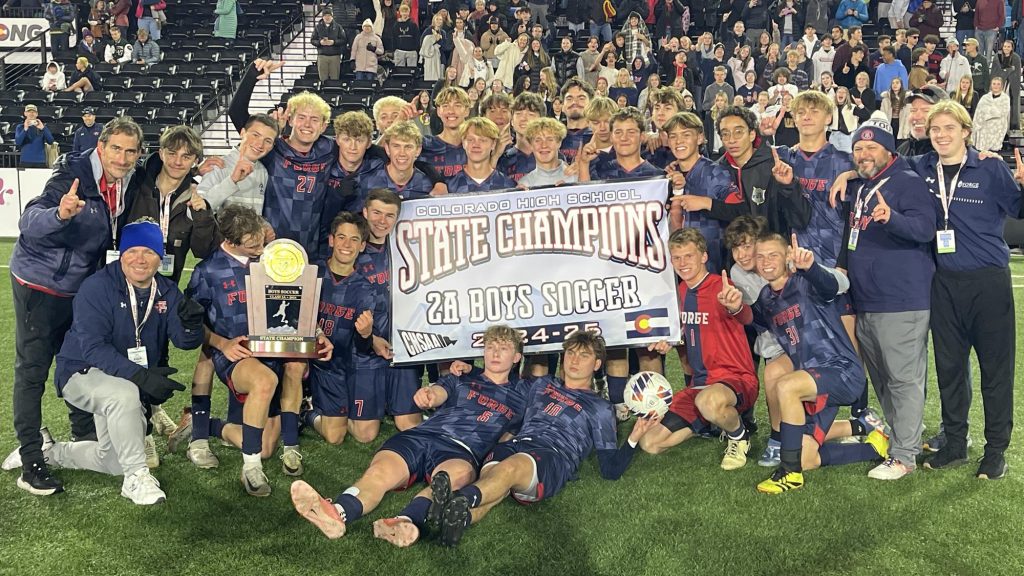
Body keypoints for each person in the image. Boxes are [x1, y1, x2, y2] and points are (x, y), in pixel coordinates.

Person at [3, 219, 203, 503]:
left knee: (113, 461)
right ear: (121, 254)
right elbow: (94, 349)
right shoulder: (97, 286)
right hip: (81, 372)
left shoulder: (167, 292)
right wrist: (141, 377)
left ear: (161, 257)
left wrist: (192, 325)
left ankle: (50, 451)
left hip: (123, 376)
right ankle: (137, 477)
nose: (140, 259)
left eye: (149, 251)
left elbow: (184, 342)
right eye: (132, 251)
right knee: (125, 394)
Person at [289, 325, 529, 544]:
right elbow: (438, 391)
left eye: (504, 348)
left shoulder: (521, 397)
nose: (495, 354)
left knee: (450, 478)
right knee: (379, 474)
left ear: (517, 357)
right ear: (483, 352)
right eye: (490, 347)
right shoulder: (462, 375)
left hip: (461, 449)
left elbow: (509, 438)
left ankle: (404, 521)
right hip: (424, 434)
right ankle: (338, 511)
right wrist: (429, 395)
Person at [6, 117, 143, 495]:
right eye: (116, 148)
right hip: (40, 285)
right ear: (101, 146)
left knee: (81, 361)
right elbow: (29, 221)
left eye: (131, 151)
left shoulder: (126, 180)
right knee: (32, 370)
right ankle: (32, 459)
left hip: (79, 291)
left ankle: (81, 435)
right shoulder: (72, 174)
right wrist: (61, 214)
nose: (123, 157)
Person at [436, 330, 662, 547]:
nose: (574, 360)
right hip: (517, 443)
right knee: (495, 479)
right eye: (571, 353)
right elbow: (500, 380)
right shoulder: (541, 384)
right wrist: (470, 370)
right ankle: (461, 518)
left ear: (596, 365)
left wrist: (633, 438)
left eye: (584, 356)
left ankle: (460, 498)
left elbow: (610, 470)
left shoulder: (600, 408)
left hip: (553, 455)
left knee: (509, 469)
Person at [185, 205, 332, 495]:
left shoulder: (271, 261)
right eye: (253, 244)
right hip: (237, 355)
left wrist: (316, 333)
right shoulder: (208, 271)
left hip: (276, 349)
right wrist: (221, 343)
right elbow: (190, 324)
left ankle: (217, 428)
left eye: (260, 239)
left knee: (266, 444)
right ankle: (250, 469)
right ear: (230, 241)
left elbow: (297, 303)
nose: (260, 247)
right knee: (266, 382)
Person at [911, 101, 1021, 480]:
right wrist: (845, 177)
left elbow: (1019, 210)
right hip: (942, 284)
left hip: (988, 283)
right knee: (951, 369)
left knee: (996, 371)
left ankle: (995, 451)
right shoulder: (923, 167)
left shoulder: (990, 167)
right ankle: (956, 443)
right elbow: (881, 170)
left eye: (948, 128)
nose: (941, 135)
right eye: (935, 129)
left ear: (965, 131)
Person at [736, 233, 889, 494]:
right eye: (760, 256)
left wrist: (811, 268)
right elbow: (755, 320)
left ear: (787, 256)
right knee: (808, 458)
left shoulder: (805, 282)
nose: (766, 261)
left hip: (841, 371)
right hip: (812, 382)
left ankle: (789, 472)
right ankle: (872, 442)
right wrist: (735, 308)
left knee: (786, 386)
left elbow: (829, 286)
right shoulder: (766, 296)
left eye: (773, 254)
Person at [839, 117, 937, 480]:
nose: (863, 154)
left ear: (889, 150)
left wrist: (892, 217)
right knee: (883, 379)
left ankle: (906, 455)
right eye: (858, 149)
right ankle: (901, 441)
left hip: (901, 299)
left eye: (871, 148)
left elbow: (925, 229)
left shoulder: (906, 182)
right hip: (868, 298)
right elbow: (852, 237)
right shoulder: (864, 185)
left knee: (902, 379)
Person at [638, 228, 759, 469]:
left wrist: (735, 307)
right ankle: (711, 422)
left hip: (736, 379)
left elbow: (746, 317)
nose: (683, 263)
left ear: (704, 257)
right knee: (649, 443)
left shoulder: (721, 286)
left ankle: (739, 436)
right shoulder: (680, 292)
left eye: (689, 256)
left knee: (708, 401)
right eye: (677, 257)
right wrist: (668, 341)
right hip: (700, 384)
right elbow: (686, 330)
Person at [227, 59, 336, 258]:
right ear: (291, 118)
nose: (307, 124)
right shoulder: (273, 148)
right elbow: (237, 115)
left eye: (315, 120)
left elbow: (368, 150)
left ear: (323, 126)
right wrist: (252, 76)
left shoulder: (329, 150)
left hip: (311, 250)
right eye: (302, 117)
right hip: (269, 245)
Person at [304, 212, 376, 445]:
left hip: (336, 366)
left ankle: (306, 411)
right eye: (342, 237)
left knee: (349, 435)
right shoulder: (310, 272)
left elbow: (362, 348)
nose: (347, 245)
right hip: (302, 358)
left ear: (363, 245)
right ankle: (297, 403)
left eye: (354, 239)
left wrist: (366, 335)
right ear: (331, 240)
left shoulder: (365, 288)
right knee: (335, 435)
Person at [123, 125, 217, 284]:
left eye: (186, 157)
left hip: (166, 288)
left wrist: (202, 215)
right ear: (161, 153)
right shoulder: (135, 184)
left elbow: (203, 251)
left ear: (195, 160)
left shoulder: (195, 197)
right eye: (172, 154)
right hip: (124, 283)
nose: (178, 162)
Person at [664, 112, 741, 273]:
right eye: (673, 136)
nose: (679, 141)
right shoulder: (666, 177)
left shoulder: (716, 173)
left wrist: (707, 203)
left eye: (686, 135)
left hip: (714, 267)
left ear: (700, 138)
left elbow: (740, 214)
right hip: (677, 269)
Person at [197, 113, 279, 214]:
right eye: (255, 135)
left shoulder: (263, 171)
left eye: (268, 141)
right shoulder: (218, 165)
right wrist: (232, 180)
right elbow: (197, 210)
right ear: (242, 133)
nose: (260, 144)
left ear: (272, 146)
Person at [446, 116, 514, 192]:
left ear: (493, 144)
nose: (476, 145)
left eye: (483, 140)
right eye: (470, 140)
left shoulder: (508, 186)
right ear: (463, 143)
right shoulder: (449, 186)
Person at [517, 117, 576, 188]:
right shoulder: (525, 184)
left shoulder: (575, 176)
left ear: (559, 143)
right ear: (531, 145)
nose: (544, 145)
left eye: (550, 139)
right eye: (538, 140)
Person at [972, 76, 1011, 152]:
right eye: (994, 84)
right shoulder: (984, 98)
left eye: (998, 84)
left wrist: (988, 112)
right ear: (991, 85)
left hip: (997, 129)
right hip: (983, 129)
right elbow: (978, 112)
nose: (996, 86)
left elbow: (1002, 112)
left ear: (1001, 86)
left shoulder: (1005, 98)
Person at [991, 40, 1022, 133]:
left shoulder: (1016, 58)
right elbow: (994, 72)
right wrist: (1008, 71)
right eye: (1005, 46)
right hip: (999, 84)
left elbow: (1016, 73)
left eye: (1008, 47)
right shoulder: (997, 57)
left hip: (1011, 85)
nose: (1006, 48)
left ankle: (1012, 128)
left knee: (1012, 106)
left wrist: (1006, 71)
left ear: (1012, 48)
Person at [311, 7, 346, 81]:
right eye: (325, 15)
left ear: (332, 16)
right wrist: (320, 42)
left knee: (335, 78)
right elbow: (312, 40)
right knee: (323, 79)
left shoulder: (338, 27)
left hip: (335, 56)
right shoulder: (318, 27)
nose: (327, 17)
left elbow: (343, 40)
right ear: (322, 17)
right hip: (322, 56)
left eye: (329, 15)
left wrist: (334, 42)